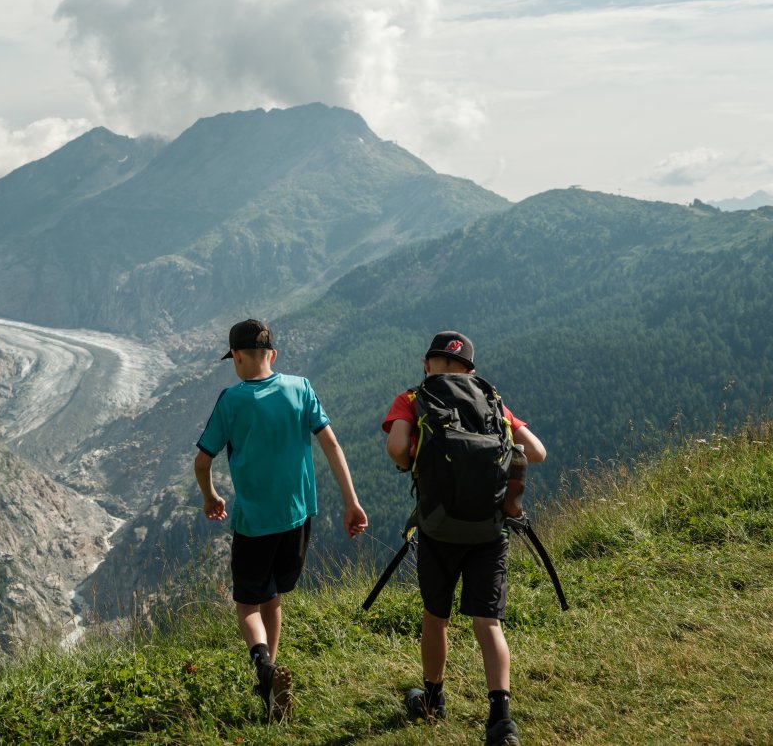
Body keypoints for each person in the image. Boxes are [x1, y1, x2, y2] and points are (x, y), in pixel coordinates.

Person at [194, 318, 368, 723]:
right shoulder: (301, 387)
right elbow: (331, 444)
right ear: (272, 355)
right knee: (273, 596)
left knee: (247, 604)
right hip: (298, 519)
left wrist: (210, 496)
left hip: (255, 523)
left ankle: (263, 666)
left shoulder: (231, 400)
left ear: (236, 357)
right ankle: (271, 683)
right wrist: (352, 502)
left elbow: (202, 461)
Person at [381, 331, 546, 746]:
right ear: (471, 369)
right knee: (488, 623)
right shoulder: (492, 400)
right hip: (489, 531)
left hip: (438, 528)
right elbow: (537, 452)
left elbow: (397, 447)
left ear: (427, 363)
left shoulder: (413, 398)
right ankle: (501, 719)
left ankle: (434, 700)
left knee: (436, 617)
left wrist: (416, 461)